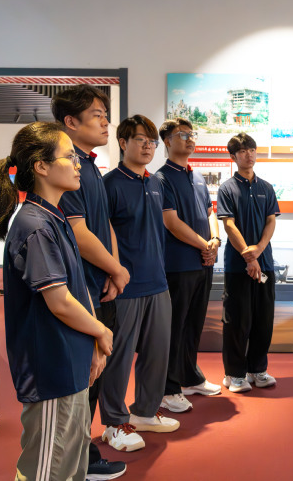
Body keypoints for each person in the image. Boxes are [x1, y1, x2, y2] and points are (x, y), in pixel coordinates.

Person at [0, 122, 113, 481]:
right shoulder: (35, 225)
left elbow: (76, 290)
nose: (78, 164)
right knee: (48, 471)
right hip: (51, 368)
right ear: (41, 166)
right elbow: (59, 302)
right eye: (69, 157)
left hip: (70, 362)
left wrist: (93, 344)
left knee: (71, 467)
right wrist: (101, 331)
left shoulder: (54, 217)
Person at [52, 84, 129, 480]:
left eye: (105, 114)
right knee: (82, 378)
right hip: (80, 291)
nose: (105, 122)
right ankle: (76, 459)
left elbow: (104, 225)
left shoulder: (89, 166)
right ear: (70, 121)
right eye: (97, 115)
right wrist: (116, 270)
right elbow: (79, 233)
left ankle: (84, 455)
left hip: (100, 286)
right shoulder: (67, 170)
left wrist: (114, 269)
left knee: (95, 375)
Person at [99, 115, 177, 452]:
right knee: (119, 357)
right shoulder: (109, 184)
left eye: (152, 142)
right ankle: (114, 423)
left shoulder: (156, 182)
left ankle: (145, 411)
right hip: (125, 286)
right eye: (140, 140)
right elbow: (101, 236)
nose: (148, 147)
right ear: (123, 142)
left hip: (158, 282)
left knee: (157, 353)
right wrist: (112, 274)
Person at [155, 118, 222, 415]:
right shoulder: (161, 178)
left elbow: (210, 212)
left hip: (202, 262)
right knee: (175, 327)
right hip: (178, 264)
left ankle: (190, 378)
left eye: (191, 133)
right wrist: (204, 245)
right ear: (167, 141)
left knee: (194, 324)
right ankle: (168, 389)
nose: (189, 138)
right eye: (182, 134)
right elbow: (171, 222)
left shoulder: (196, 176)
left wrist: (215, 240)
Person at [217, 133, 280, 393]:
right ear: (233, 156)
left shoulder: (266, 187)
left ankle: (258, 369)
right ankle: (234, 374)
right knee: (237, 321)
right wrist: (248, 255)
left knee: (263, 320)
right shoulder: (227, 188)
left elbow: (271, 221)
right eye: (242, 151)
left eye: (251, 149)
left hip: (265, 264)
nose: (249, 154)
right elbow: (228, 225)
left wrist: (259, 250)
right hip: (237, 266)